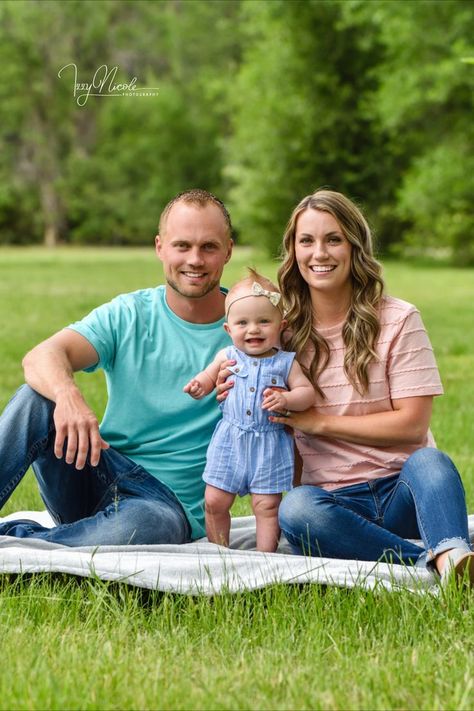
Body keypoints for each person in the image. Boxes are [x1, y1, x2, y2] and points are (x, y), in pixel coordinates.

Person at [0, 189, 234, 546]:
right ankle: (71, 538)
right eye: (182, 246)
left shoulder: (251, 330)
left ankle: (26, 539)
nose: (195, 259)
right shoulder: (130, 313)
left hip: (164, 505)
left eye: (209, 247)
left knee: (153, 525)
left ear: (228, 250)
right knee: (36, 399)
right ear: (160, 247)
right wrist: (67, 394)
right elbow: (40, 356)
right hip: (98, 468)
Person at [269, 189, 473, 584]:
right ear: (293, 252)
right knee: (297, 510)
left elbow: (412, 425)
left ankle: (448, 550)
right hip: (335, 504)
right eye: (306, 241)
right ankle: (434, 566)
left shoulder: (398, 319)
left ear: (354, 247)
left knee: (431, 463)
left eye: (333, 239)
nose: (319, 253)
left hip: (403, 491)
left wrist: (318, 422)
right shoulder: (282, 333)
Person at [183, 270, 314, 551]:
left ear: (281, 325)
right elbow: (209, 378)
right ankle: (219, 551)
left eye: (264, 321)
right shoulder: (227, 356)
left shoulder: (285, 362)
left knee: (267, 505)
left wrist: (288, 400)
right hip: (229, 441)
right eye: (242, 323)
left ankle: (264, 557)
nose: (253, 329)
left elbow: (307, 393)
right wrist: (199, 385)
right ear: (229, 329)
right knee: (215, 500)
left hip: (270, 443)